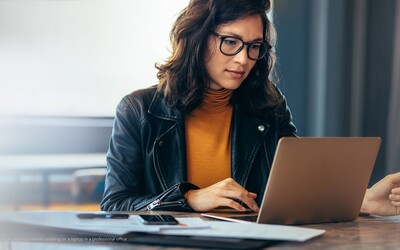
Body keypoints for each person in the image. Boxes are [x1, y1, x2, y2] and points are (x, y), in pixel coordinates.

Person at [100, 0, 400, 216]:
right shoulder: (139, 110)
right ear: (198, 39)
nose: (244, 59)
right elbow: (115, 204)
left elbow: (298, 186)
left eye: (254, 46)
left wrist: (364, 199)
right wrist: (189, 198)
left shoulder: (267, 105)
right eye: (230, 42)